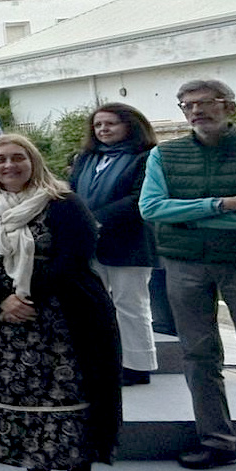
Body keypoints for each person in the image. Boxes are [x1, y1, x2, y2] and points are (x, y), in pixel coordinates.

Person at [138, 79, 236, 471]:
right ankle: (216, 441)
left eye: (204, 103)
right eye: (186, 105)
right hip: (185, 264)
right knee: (198, 355)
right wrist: (220, 205)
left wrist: (185, 215)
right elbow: (151, 207)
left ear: (229, 107)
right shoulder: (164, 154)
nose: (195, 111)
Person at [0, 134, 122, 471]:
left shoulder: (64, 204)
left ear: (33, 161)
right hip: (5, 321)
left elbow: (75, 257)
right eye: (0, 160)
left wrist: (27, 296)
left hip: (61, 317)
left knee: (67, 396)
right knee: (19, 397)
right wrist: (4, 299)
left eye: (18, 158)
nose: (9, 166)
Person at [68, 103, 161, 386]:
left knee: (130, 304)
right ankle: (99, 361)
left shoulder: (146, 158)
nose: (103, 130)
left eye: (110, 124)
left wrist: (95, 220)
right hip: (89, 244)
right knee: (93, 306)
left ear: (130, 126)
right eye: (98, 125)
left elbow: (139, 199)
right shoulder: (86, 158)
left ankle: (136, 366)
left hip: (128, 243)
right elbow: (71, 191)